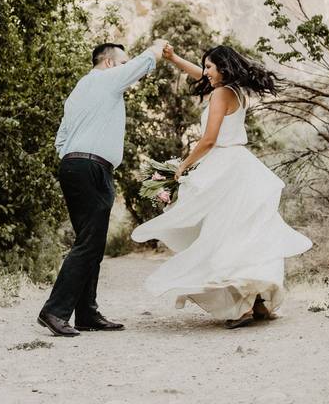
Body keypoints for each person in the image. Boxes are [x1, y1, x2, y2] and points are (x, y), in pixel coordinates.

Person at [131, 44, 312, 328]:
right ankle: (259, 302)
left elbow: (209, 140)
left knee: (223, 235)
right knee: (245, 232)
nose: (205, 73)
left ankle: (241, 308)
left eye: (210, 67)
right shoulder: (236, 91)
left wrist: (183, 165)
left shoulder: (219, 94)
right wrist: (175, 59)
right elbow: (201, 77)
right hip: (241, 165)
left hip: (224, 166)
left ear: (223, 69)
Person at [38, 38, 168, 337]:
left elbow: (61, 139)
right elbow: (143, 64)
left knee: (90, 241)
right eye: (121, 63)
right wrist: (159, 46)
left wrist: (76, 157)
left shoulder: (78, 93)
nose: (124, 68)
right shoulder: (107, 79)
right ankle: (54, 311)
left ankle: (86, 313)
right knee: (89, 243)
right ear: (108, 62)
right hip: (92, 168)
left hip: (74, 166)